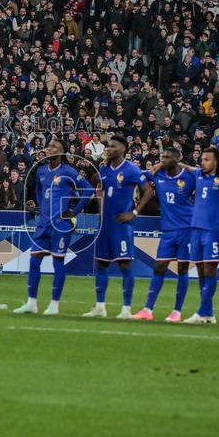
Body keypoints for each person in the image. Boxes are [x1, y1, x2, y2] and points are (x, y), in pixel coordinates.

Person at [14, 137, 94, 316]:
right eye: (49, 146)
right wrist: (42, 209)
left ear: (62, 152)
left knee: (58, 261)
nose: (49, 149)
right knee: (34, 261)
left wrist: (74, 212)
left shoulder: (69, 171)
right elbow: (38, 190)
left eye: (54, 147)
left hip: (60, 225)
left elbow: (88, 190)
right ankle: (31, 303)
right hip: (43, 224)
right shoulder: (41, 170)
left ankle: (54, 305)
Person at [83, 135, 151, 318]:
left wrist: (134, 213)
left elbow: (148, 191)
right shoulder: (104, 168)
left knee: (125, 264)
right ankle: (100, 307)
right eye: (108, 146)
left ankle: (126, 309)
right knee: (101, 264)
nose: (108, 148)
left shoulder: (131, 169)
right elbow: (101, 190)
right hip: (106, 225)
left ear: (122, 150)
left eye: (112, 146)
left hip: (122, 225)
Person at [132, 146, 193, 322]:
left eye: (166, 157)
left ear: (177, 159)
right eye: (162, 157)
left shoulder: (188, 177)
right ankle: (147, 309)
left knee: (182, 269)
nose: (162, 160)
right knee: (159, 267)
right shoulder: (157, 174)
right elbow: (138, 173)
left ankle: (177, 312)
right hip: (167, 231)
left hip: (186, 229)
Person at [185, 147, 219, 324]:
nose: (202, 162)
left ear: (216, 162)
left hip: (213, 230)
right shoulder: (198, 174)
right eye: (202, 159)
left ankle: (201, 312)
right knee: (200, 271)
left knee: (209, 270)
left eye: (207, 159)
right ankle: (209, 313)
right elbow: (188, 168)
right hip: (196, 229)